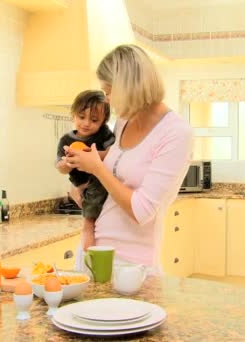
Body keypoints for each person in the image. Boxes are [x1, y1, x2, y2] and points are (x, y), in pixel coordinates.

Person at [62, 45, 193, 274]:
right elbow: (120, 160)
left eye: (109, 91)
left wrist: (97, 168)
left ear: (128, 88)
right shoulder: (125, 120)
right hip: (93, 252)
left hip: (132, 264)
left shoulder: (176, 133)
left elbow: (142, 211)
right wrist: (84, 157)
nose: (108, 100)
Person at [56, 90, 115, 251]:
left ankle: (88, 225)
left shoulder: (104, 134)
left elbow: (114, 153)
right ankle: (88, 226)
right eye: (82, 117)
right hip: (80, 183)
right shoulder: (66, 140)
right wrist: (67, 163)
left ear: (103, 121)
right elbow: (60, 167)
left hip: (99, 180)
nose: (86, 123)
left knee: (96, 191)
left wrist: (92, 155)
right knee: (88, 196)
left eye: (94, 120)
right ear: (73, 115)